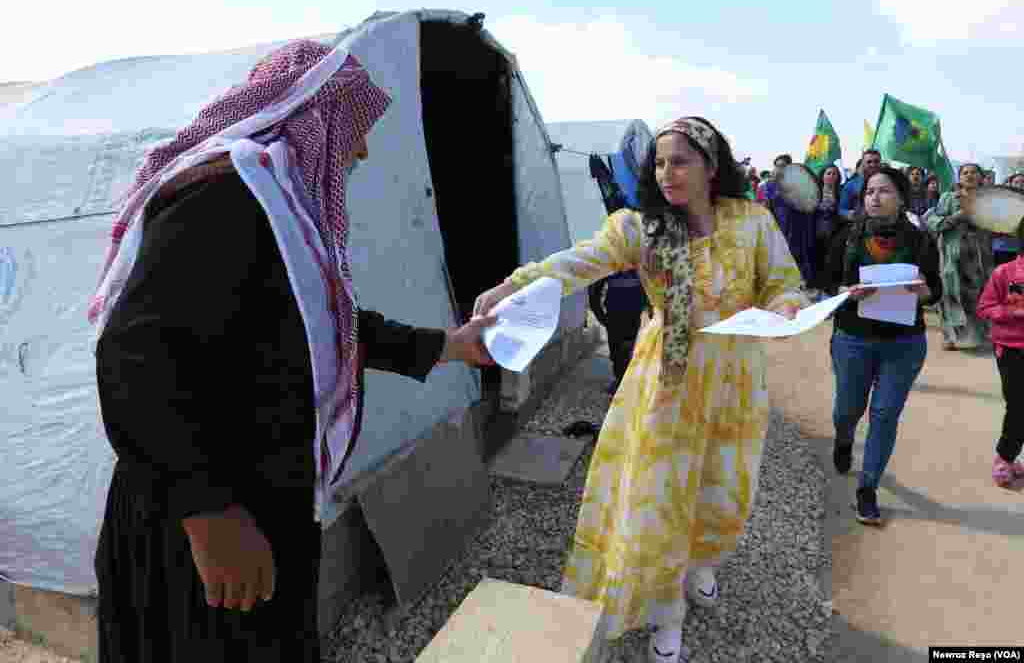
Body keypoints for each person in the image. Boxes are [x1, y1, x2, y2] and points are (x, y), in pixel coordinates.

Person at [88, 41, 498, 663]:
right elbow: (136, 356)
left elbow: (318, 328)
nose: (360, 150)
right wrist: (209, 513)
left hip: (259, 500)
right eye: (358, 130)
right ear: (318, 113)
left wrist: (452, 347)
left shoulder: (277, 207)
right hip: (200, 522)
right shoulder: (227, 196)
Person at [473, 117, 808, 663]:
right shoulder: (641, 228)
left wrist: (785, 307)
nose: (666, 172)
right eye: (658, 162)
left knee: (723, 484)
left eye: (680, 161)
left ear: (711, 165)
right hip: (669, 383)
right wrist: (515, 284)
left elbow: (783, 282)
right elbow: (576, 263)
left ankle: (702, 567)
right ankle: (665, 612)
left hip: (737, 377)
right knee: (660, 499)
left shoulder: (752, 221)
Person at [822, 166, 940, 525]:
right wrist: (846, 292)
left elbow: (935, 289)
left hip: (902, 343)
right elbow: (826, 283)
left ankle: (868, 488)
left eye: (884, 190)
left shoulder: (921, 241)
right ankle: (843, 439)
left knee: (885, 415)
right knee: (847, 409)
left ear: (901, 197)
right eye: (870, 191)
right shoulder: (846, 236)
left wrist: (925, 292)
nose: (875, 197)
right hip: (853, 338)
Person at [976, 216, 1024, 487]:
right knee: (1018, 406)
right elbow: (984, 308)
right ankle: (1004, 458)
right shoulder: (1004, 273)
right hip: (1011, 349)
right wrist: (1013, 312)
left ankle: (1011, 455)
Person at [925, 163, 994, 351]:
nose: (969, 175)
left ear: (981, 177)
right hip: (952, 255)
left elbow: (997, 226)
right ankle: (950, 335)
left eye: (974, 172)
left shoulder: (988, 199)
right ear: (959, 176)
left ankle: (977, 335)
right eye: (965, 172)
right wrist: (958, 216)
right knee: (951, 294)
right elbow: (934, 222)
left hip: (979, 257)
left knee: (977, 295)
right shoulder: (948, 197)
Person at [763, 154, 818, 288]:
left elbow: (808, 204)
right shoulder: (769, 186)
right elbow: (767, 208)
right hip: (779, 229)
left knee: (800, 257)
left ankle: (804, 284)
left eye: (782, 166)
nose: (779, 169)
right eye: (777, 166)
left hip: (798, 228)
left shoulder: (800, 183)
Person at [812, 164, 842, 291]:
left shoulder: (841, 192)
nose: (831, 176)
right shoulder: (815, 191)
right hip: (816, 230)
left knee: (831, 259)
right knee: (817, 258)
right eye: (828, 173)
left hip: (834, 231)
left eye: (834, 173)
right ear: (822, 176)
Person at [839, 149, 882, 222]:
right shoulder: (851, 184)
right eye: (869, 162)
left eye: (876, 161)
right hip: (860, 227)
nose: (873, 164)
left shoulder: (888, 183)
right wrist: (849, 214)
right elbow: (841, 209)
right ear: (863, 164)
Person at [992, 173, 1024, 267]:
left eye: (1023, 182)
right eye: (1017, 182)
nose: (1020, 185)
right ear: (1010, 184)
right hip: (1003, 248)